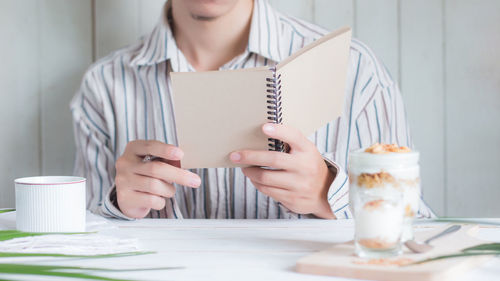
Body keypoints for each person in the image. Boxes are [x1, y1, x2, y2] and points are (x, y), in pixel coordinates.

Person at [71, 0, 434, 220]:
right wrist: (118, 204)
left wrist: (328, 193)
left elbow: (415, 222)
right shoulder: (105, 85)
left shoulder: (354, 69)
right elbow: (77, 239)